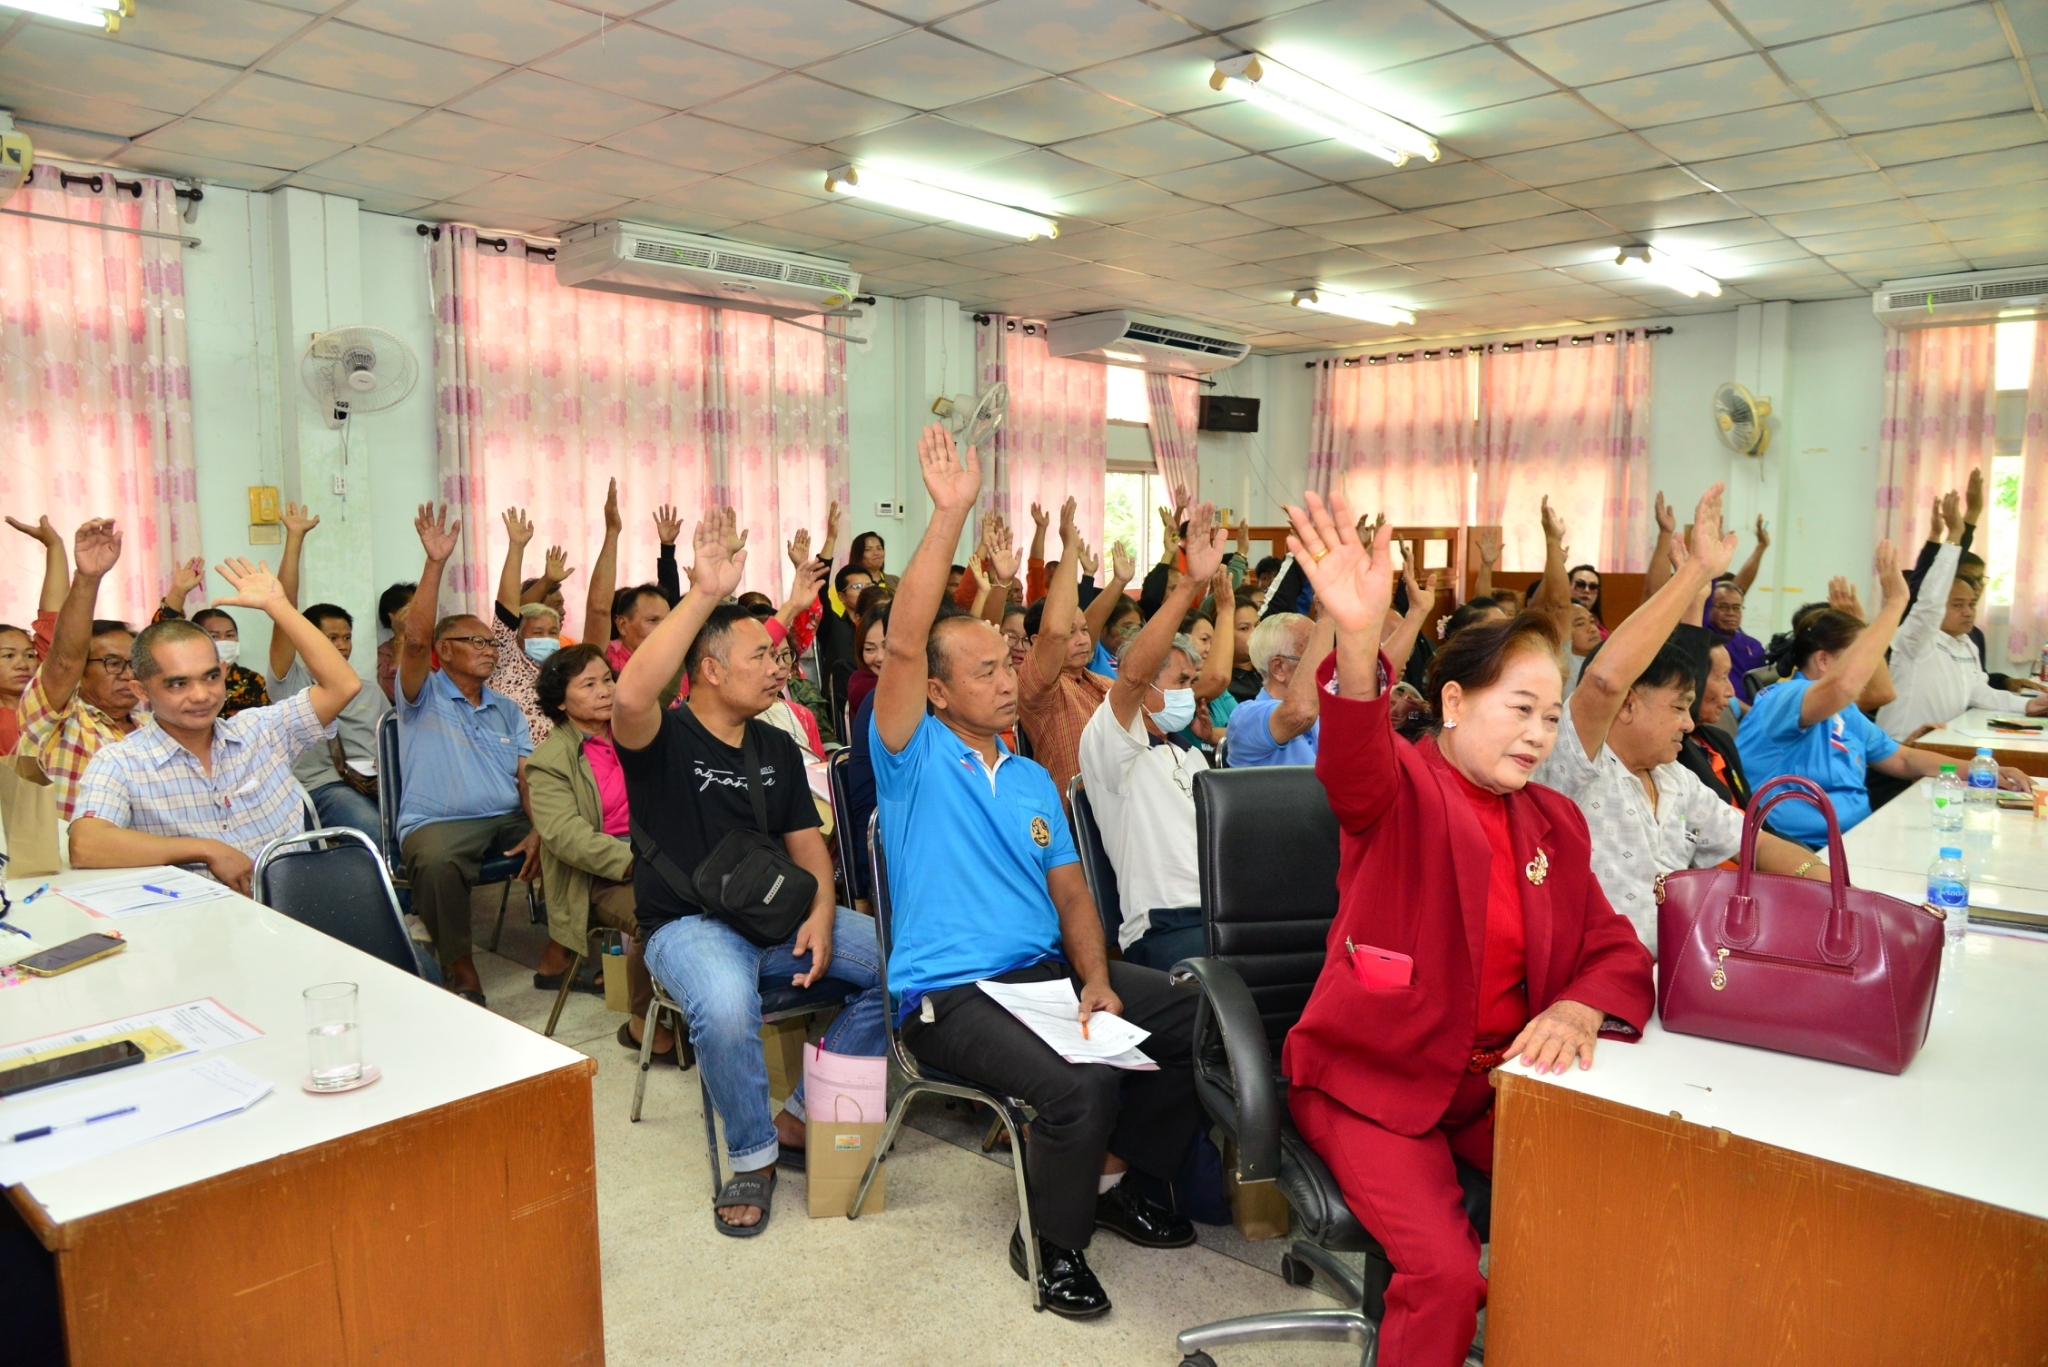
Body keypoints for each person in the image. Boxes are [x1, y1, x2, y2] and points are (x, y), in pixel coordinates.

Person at [1279, 489, 1654, 1367]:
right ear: (1453, 701)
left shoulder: (1553, 821)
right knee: (1446, 1273)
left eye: (1551, 716)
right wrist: (1359, 641)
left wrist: (1578, 1008)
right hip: (1375, 1083)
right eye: (1519, 708)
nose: (1539, 734)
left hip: (1490, 1088)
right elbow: (1353, 761)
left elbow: (1614, 945)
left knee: (1612, 1203)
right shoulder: (1403, 790)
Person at [873, 424, 1201, 1319]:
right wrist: (949, 514)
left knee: (1193, 1013)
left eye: (1007, 665)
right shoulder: (910, 756)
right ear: (939, 691)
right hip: (950, 993)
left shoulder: (1028, 778)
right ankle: (1052, 1242)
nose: (1007, 680)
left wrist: (1095, 977)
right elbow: (902, 645)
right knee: (1079, 1081)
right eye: (983, 671)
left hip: (1042, 977)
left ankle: (1119, 1179)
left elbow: (1071, 891)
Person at [613, 506, 884, 1237]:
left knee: (909, 967)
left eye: (778, 656)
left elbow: (809, 849)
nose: (779, 666)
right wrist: (704, 592)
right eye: (762, 656)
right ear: (710, 669)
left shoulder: (774, 745)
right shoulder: (663, 739)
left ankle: (800, 1115)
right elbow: (631, 695)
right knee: (728, 1006)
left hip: (778, 917)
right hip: (689, 926)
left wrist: (821, 915)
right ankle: (753, 1155)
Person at [1530, 486, 1826, 952]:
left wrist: (1831, 885)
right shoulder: (1577, 766)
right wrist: (1693, 573)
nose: (1690, 725)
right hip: (1599, 975)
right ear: (1627, 704)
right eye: (1677, 707)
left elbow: (1756, 842)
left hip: (1686, 965)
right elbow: (1604, 680)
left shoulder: (1675, 780)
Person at [68, 557, 360, 887]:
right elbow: (85, 845)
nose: (201, 695)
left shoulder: (261, 731)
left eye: (210, 677)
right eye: (178, 684)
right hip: (198, 913)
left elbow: (343, 685)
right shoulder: (121, 762)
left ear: (223, 672)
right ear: (141, 690)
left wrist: (279, 607)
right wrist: (207, 850)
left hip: (292, 901)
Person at [1736, 545, 2032, 848]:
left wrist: (1983, 770)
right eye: (1859, 658)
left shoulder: (1843, 712)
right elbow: (1843, 686)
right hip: (1801, 849)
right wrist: (1896, 602)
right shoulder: (1785, 697)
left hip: (1856, 838)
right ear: (1823, 660)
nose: (1867, 669)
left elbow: (1904, 759)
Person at [395, 504, 539, 1005]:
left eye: (492, 642)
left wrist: (541, 827)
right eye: (474, 641)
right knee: (436, 863)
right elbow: (414, 640)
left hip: (506, 818)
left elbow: (526, 778)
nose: (489, 649)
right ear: (445, 650)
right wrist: (435, 563)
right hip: (439, 824)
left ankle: (564, 954)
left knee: (570, 838)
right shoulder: (421, 695)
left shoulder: (507, 708)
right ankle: (461, 969)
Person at [1078, 504, 1229, 969]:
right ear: (1146, 688)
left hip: (1224, 914)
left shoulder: (1192, 756)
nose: (1190, 692)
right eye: (1181, 682)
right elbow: (1131, 677)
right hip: (1166, 927)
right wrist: (1189, 585)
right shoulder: (1111, 746)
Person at [526, 644, 661, 1053]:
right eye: (588, 685)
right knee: (658, 915)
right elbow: (566, 836)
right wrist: (636, 862)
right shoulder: (550, 760)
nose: (605, 690)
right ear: (560, 702)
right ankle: (644, 1022)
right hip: (600, 874)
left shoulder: (633, 731)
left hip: (657, 852)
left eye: (607, 679)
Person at [267, 501, 389, 838]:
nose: (342, 646)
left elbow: (392, 745)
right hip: (324, 787)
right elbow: (283, 609)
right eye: (331, 638)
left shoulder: (368, 690)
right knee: (373, 829)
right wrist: (295, 538)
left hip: (378, 784)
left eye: (346, 637)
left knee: (421, 821)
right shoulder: (290, 683)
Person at [17, 519, 143, 820]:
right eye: (113, 663)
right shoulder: (58, 721)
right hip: (71, 849)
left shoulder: (153, 726)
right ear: (80, 672)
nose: (128, 675)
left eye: (135, 664)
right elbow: (63, 661)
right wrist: (88, 579)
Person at [1877, 518, 2048, 740]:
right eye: (1958, 605)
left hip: (1939, 742)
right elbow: (1930, 599)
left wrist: (2027, 705)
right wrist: (1954, 537)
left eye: (1971, 604)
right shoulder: (1916, 640)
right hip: (1902, 745)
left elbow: (1978, 692)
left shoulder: (1967, 644)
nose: (1968, 612)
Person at [1019, 498, 1131, 803]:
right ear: (1035, 643)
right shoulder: (1040, 689)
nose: (1083, 639)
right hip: (1075, 816)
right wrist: (1069, 548)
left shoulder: (1101, 683)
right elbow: (1054, 633)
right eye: (1071, 633)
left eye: (1084, 631)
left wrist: (1119, 582)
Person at [152, 558, 270, 718]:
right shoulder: (180, 678)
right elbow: (161, 636)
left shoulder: (253, 680)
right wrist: (177, 592)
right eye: (214, 636)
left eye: (229, 635)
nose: (224, 641)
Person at [1223, 612, 1324, 767]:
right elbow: (1300, 713)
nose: (1326, 666)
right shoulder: (1245, 718)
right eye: (1312, 659)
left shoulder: (1318, 718)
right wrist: (1327, 620)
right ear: (1279, 667)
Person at [375, 580, 415, 703]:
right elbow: (393, 692)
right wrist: (400, 636)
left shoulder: (439, 642)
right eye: (415, 608)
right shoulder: (385, 652)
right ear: (395, 616)